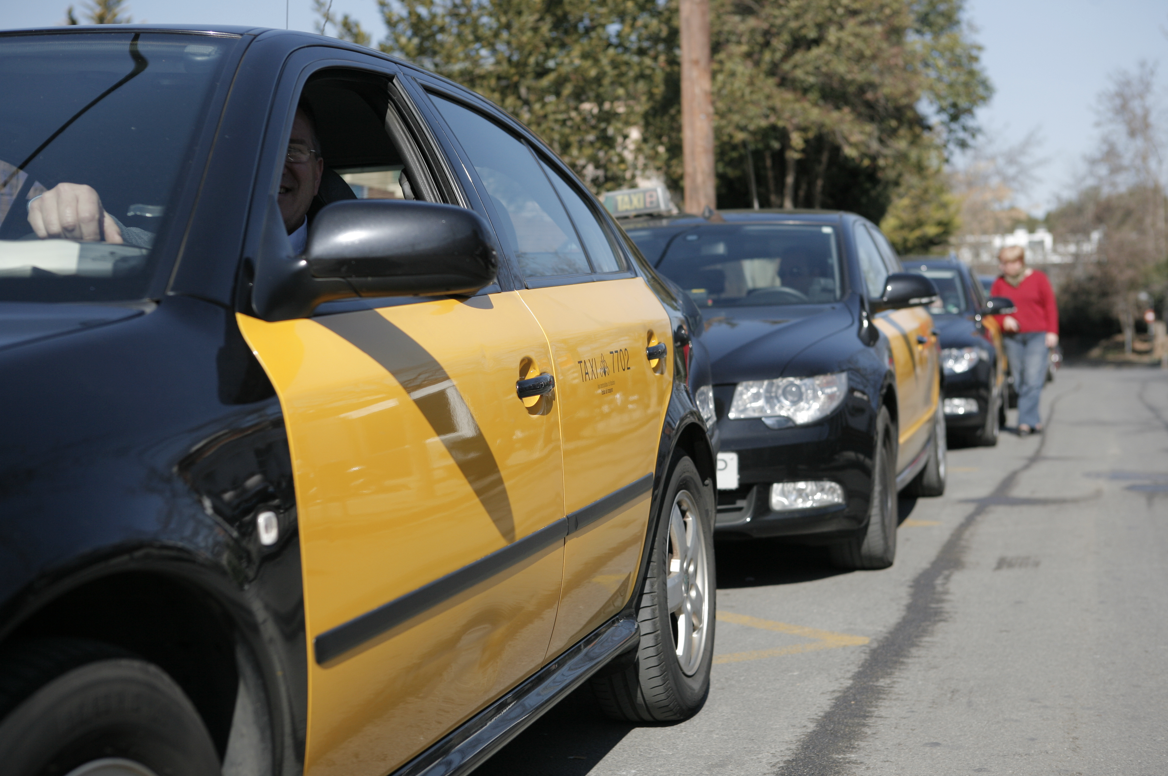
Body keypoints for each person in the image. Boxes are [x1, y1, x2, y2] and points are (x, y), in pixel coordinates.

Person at [27, 104, 323, 252]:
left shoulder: (362, 267)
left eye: (292, 150)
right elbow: (123, 241)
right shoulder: (178, 254)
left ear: (318, 174)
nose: (271, 165)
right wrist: (65, 207)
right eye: (253, 150)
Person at [991, 245, 1058, 436]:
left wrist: (1052, 332)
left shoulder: (1038, 279)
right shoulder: (999, 284)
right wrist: (1004, 320)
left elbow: (1050, 306)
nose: (1003, 267)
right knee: (1020, 381)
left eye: (1006, 263)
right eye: (1002, 263)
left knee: (1032, 377)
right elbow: (993, 309)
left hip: (1037, 335)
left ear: (1018, 262)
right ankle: (1034, 420)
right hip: (1013, 338)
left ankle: (1024, 423)